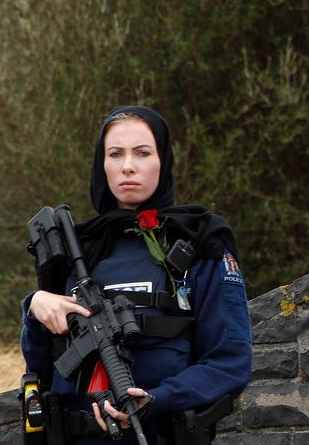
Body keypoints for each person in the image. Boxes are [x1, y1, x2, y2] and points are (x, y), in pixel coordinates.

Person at [21, 105, 252, 444]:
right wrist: (35, 308)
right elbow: (41, 368)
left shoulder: (201, 242)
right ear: (102, 165)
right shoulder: (74, 252)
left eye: (142, 153)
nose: (127, 166)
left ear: (163, 161)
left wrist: (157, 400)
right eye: (115, 154)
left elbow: (230, 363)